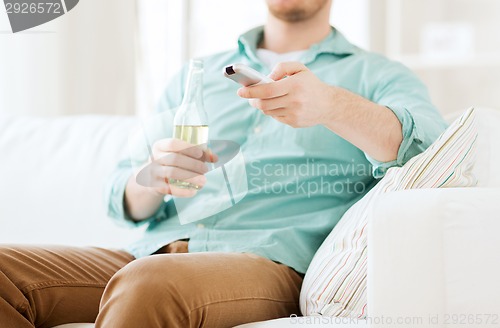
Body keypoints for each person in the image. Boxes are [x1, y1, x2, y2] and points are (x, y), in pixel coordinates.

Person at [0, 0, 447, 327]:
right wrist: (152, 179)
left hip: (265, 263)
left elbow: (426, 149)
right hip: (150, 252)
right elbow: (122, 197)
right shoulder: (199, 74)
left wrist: (331, 106)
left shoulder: (376, 75)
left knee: (149, 284)